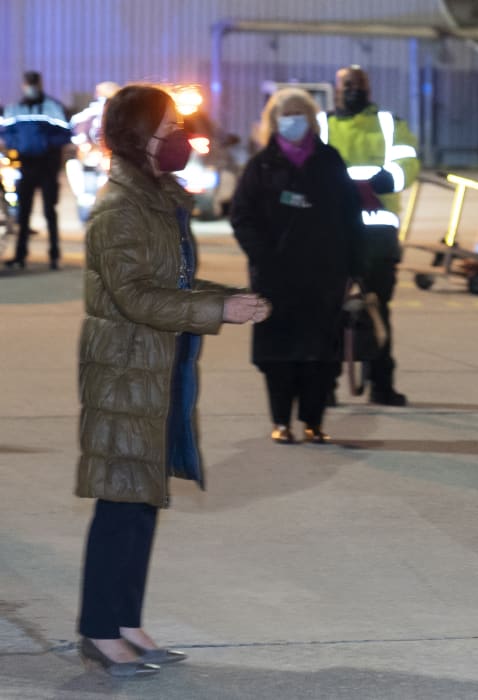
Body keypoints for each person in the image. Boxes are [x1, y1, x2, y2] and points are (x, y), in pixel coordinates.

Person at [76, 84, 270, 677]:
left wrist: (227, 299)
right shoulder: (118, 208)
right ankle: (99, 629)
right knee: (121, 503)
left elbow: (175, 286)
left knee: (144, 501)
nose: (179, 139)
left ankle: (126, 619)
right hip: (125, 373)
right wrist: (217, 312)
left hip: (160, 369)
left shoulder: (159, 199)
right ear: (138, 139)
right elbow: (135, 297)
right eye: (167, 129)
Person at [231, 88, 364, 444]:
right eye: (286, 113)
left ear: (311, 119)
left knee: (321, 353)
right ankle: (281, 421)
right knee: (278, 354)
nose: (293, 120)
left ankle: (313, 421)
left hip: (325, 276)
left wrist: (354, 267)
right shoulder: (261, 166)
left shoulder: (329, 161)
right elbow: (242, 216)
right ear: (274, 120)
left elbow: (351, 216)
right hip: (275, 278)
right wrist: (263, 256)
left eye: (299, 112)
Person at [327, 65, 419, 407]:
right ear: (336, 88)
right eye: (347, 84)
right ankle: (326, 386)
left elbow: (408, 163)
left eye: (359, 84)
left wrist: (386, 179)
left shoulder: (390, 123)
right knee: (330, 312)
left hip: (378, 235)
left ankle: (382, 384)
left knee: (377, 311)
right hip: (334, 235)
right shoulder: (323, 125)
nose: (353, 90)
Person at [1, 71, 70, 270]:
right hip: (26, 164)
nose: (31, 87)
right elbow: (6, 133)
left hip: (47, 165)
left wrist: (45, 144)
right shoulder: (15, 108)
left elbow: (65, 133)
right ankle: (20, 255)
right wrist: (20, 145)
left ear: (39, 84)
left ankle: (54, 255)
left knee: (50, 212)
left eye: (33, 83)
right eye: (28, 83)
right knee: (23, 213)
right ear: (24, 85)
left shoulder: (52, 107)